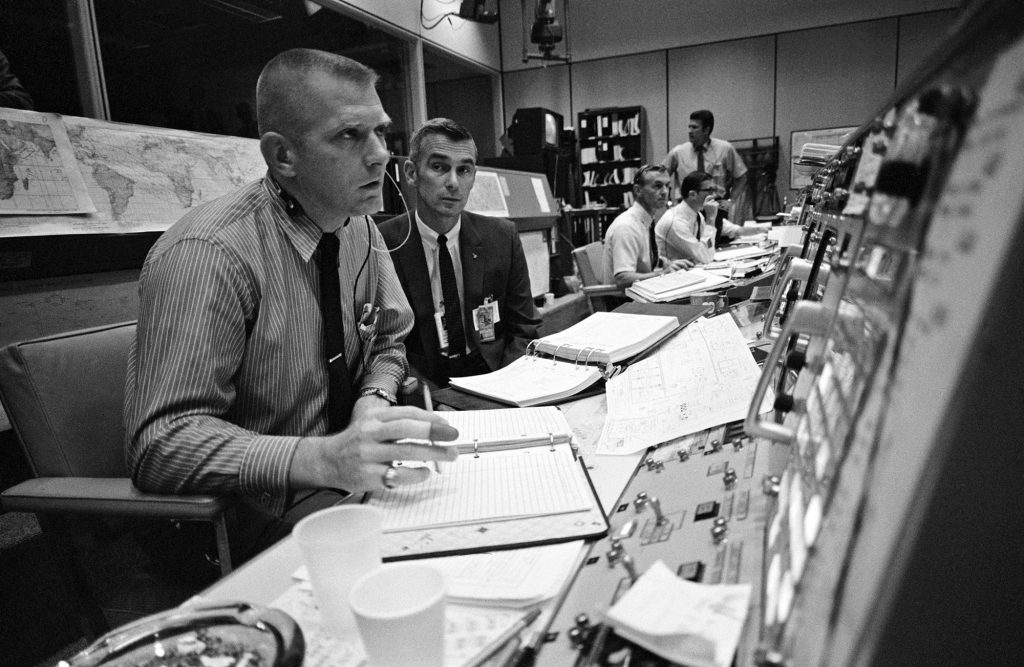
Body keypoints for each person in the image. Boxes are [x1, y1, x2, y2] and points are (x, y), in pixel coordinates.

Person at [124, 49, 458, 556]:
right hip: (255, 517)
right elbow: (162, 444)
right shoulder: (209, 254)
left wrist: (373, 404)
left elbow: (389, 339)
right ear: (283, 156)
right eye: (349, 135)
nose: (380, 155)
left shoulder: (357, 227)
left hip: (345, 486)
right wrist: (325, 459)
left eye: (380, 131)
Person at [379, 118, 540, 387]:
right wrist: (429, 398)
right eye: (439, 167)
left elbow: (525, 328)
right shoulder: (384, 243)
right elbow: (386, 346)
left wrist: (504, 386)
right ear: (411, 173)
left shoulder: (502, 237)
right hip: (425, 380)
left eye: (464, 170)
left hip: (491, 372)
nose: (453, 182)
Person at [602, 164, 691, 288]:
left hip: (643, 294)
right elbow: (622, 278)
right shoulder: (627, 226)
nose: (665, 192)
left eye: (667, 186)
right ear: (638, 190)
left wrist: (669, 264)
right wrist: (664, 274)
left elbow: (643, 259)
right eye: (658, 186)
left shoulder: (645, 221)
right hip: (625, 303)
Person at [655, 171, 761, 265]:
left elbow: (707, 251)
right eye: (709, 190)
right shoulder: (675, 221)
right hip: (671, 278)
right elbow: (705, 257)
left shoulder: (697, 214)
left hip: (690, 270)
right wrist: (710, 219)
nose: (714, 195)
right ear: (693, 194)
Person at [661, 109, 747, 206]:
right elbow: (660, 176)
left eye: (694, 127)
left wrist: (731, 200)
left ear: (706, 130)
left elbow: (741, 178)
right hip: (686, 206)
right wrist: (667, 201)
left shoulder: (725, 149)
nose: (690, 131)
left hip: (715, 204)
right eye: (689, 127)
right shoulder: (678, 152)